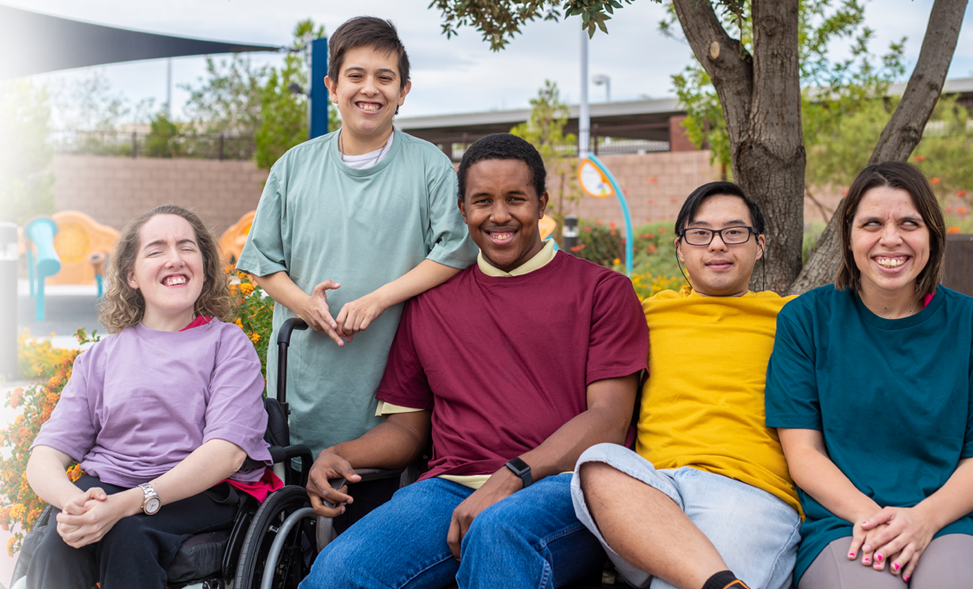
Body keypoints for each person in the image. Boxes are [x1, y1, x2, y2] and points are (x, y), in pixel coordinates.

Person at [299, 133, 649, 589]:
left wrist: (510, 478)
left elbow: (608, 419)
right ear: (462, 210)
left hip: (565, 489)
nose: (499, 215)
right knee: (336, 574)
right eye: (482, 201)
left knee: (496, 534)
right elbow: (408, 428)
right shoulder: (430, 302)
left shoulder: (603, 291)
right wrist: (341, 454)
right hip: (448, 488)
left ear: (541, 204)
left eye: (516, 199)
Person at [236, 17, 475, 475]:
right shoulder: (293, 167)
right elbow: (263, 263)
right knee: (299, 496)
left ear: (404, 90)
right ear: (332, 85)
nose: (371, 89)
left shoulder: (430, 166)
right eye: (356, 75)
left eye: (385, 78)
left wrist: (380, 299)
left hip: (392, 378)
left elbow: (455, 251)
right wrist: (306, 305)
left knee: (381, 492)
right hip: (305, 374)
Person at [22, 205, 278, 589]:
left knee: (129, 538)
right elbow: (45, 455)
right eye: (156, 250)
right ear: (132, 276)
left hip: (198, 491)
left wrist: (129, 503)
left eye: (187, 248)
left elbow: (227, 453)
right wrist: (73, 505)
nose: (175, 259)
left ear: (205, 267)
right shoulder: (99, 358)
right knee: (59, 544)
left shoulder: (228, 345)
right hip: (110, 486)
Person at [570, 182, 800, 589]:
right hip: (653, 496)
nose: (716, 246)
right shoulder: (648, 313)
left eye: (734, 232)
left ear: (760, 244)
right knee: (596, 463)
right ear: (680, 248)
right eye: (700, 234)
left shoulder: (792, 320)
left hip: (747, 492)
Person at [766, 161, 973, 588]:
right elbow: (803, 453)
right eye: (872, 223)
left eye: (909, 223)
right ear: (849, 236)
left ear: (932, 235)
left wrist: (924, 520)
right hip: (845, 523)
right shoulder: (805, 321)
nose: (890, 238)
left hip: (951, 519)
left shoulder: (968, 324)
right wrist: (874, 520)